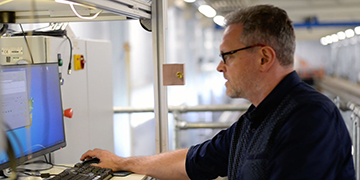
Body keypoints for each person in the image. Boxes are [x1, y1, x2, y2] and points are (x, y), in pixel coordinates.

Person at [81, 4, 355, 180]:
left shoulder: (309, 119)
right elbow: (195, 160)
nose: (219, 67)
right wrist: (122, 161)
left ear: (263, 58)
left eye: (228, 55)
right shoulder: (256, 118)